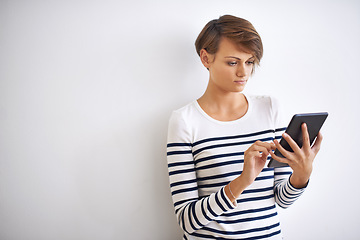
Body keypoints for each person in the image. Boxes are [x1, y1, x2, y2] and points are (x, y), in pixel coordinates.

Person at [166, 15, 323, 240]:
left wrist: (302, 174)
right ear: (205, 58)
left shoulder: (269, 108)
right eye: (233, 62)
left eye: (249, 62)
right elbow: (187, 221)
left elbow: (282, 199)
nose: (244, 72)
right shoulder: (185, 121)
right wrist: (242, 181)